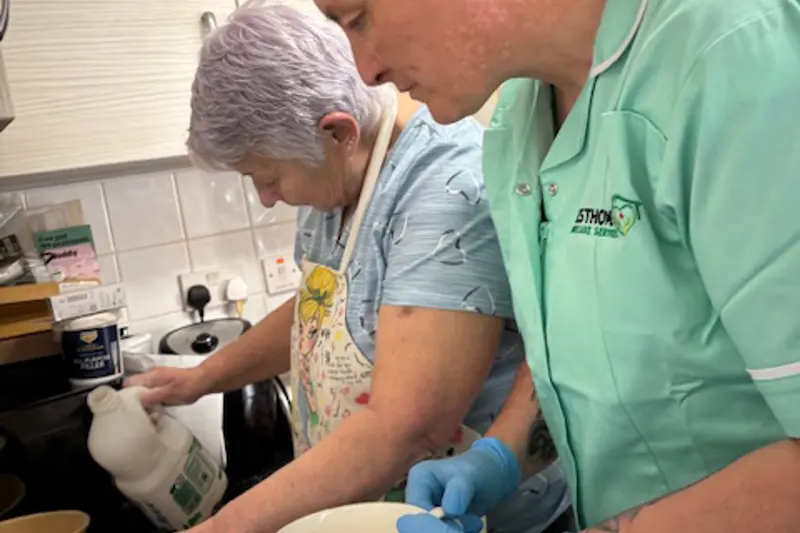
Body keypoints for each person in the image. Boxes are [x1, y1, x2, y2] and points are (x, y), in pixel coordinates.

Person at [313, 0, 800, 531]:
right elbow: (583, 345)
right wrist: (500, 456)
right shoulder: (520, 116)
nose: (366, 71)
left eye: (357, 18)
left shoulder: (739, 62)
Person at [125, 3, 572, 533]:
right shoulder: (336, 184)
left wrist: (220, 529)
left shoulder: (446, 190)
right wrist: (200, 379)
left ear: (339, 134)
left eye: (267, 176)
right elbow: (318, 311)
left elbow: (404, 429)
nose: (266, 198)